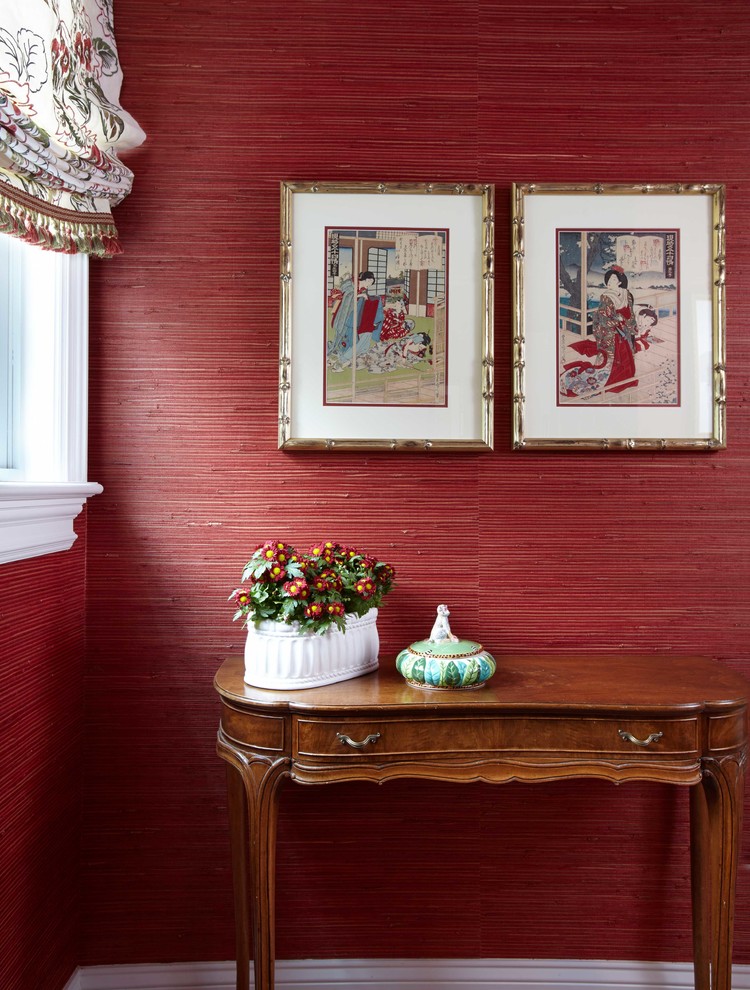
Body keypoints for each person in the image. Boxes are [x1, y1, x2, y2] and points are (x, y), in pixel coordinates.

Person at [560, 266, 638, 398]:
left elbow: (630, 313)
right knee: (610, 360)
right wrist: (616, 321)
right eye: (608, 280)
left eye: (613, 279)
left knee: (626, 357)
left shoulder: (627, 295)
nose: (609, 282)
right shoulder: (606, 297)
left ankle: (624, 379)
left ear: (620, 281)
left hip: (624, 331)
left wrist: (629, 325)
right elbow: (602, 317)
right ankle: (606, 381)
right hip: (611, 333)